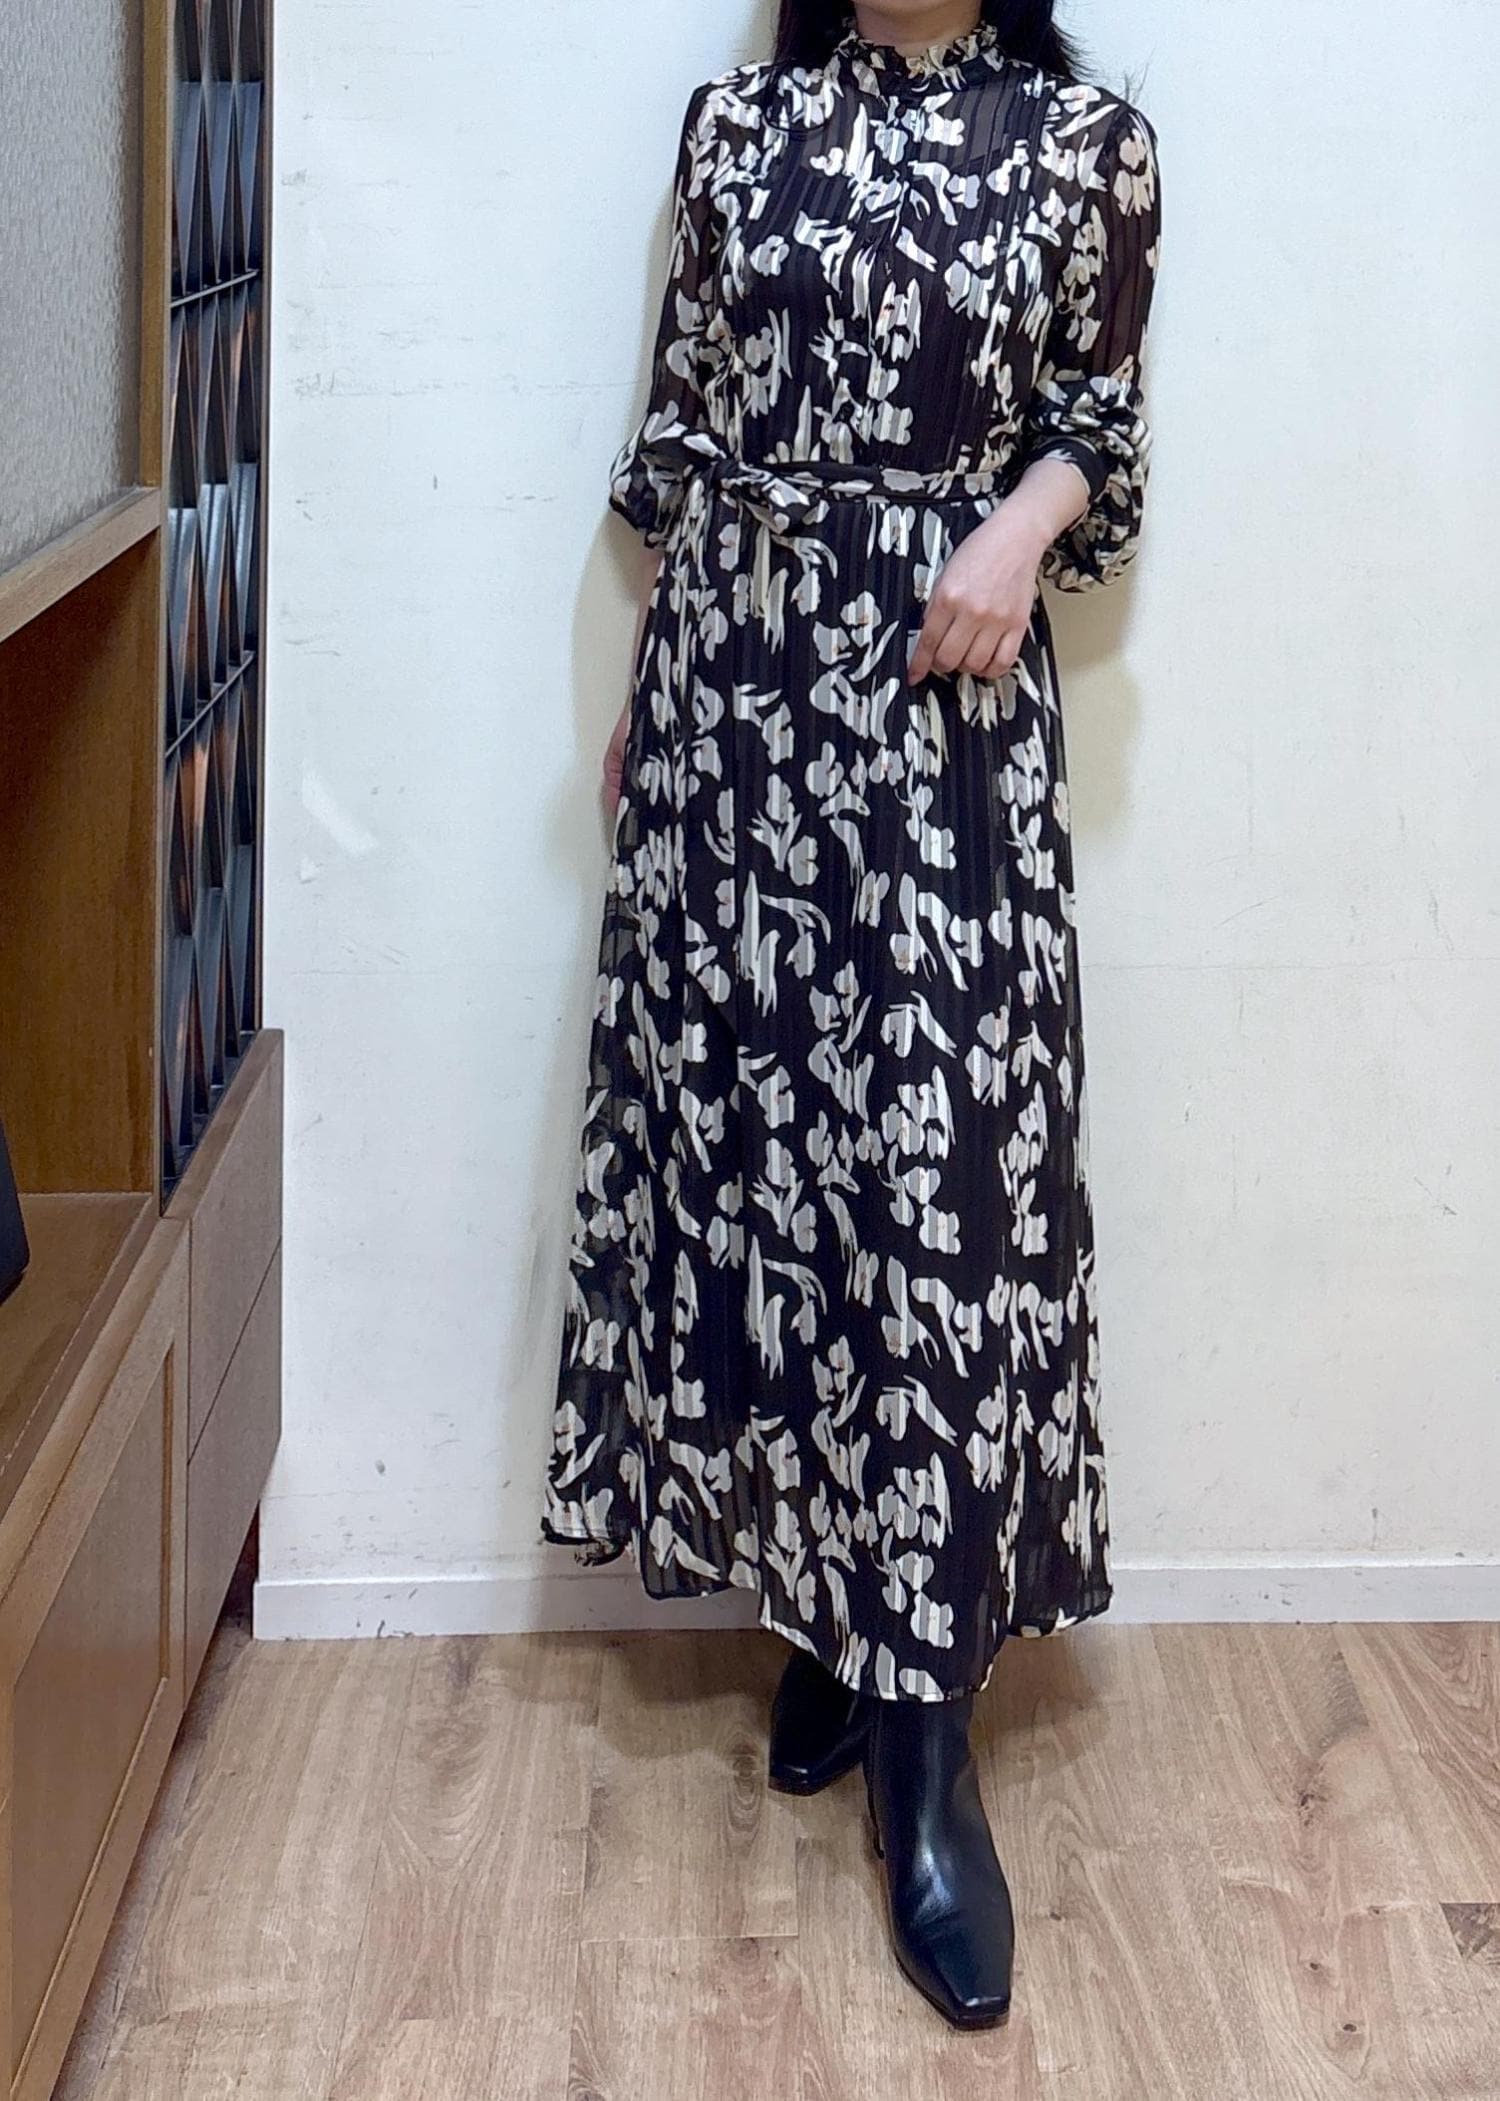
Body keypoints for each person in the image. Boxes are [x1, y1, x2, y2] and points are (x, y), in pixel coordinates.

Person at [542, 0, 1161, 2030]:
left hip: (940, 714)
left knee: (938, 1201)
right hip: (737, 704)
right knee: (775, 1175)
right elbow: (685, 423)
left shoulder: (1085, 144)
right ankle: (828, 1611)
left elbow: (1104, 424)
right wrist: (652, 683)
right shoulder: (735, 127)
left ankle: (925, 1734)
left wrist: (1018, 523)